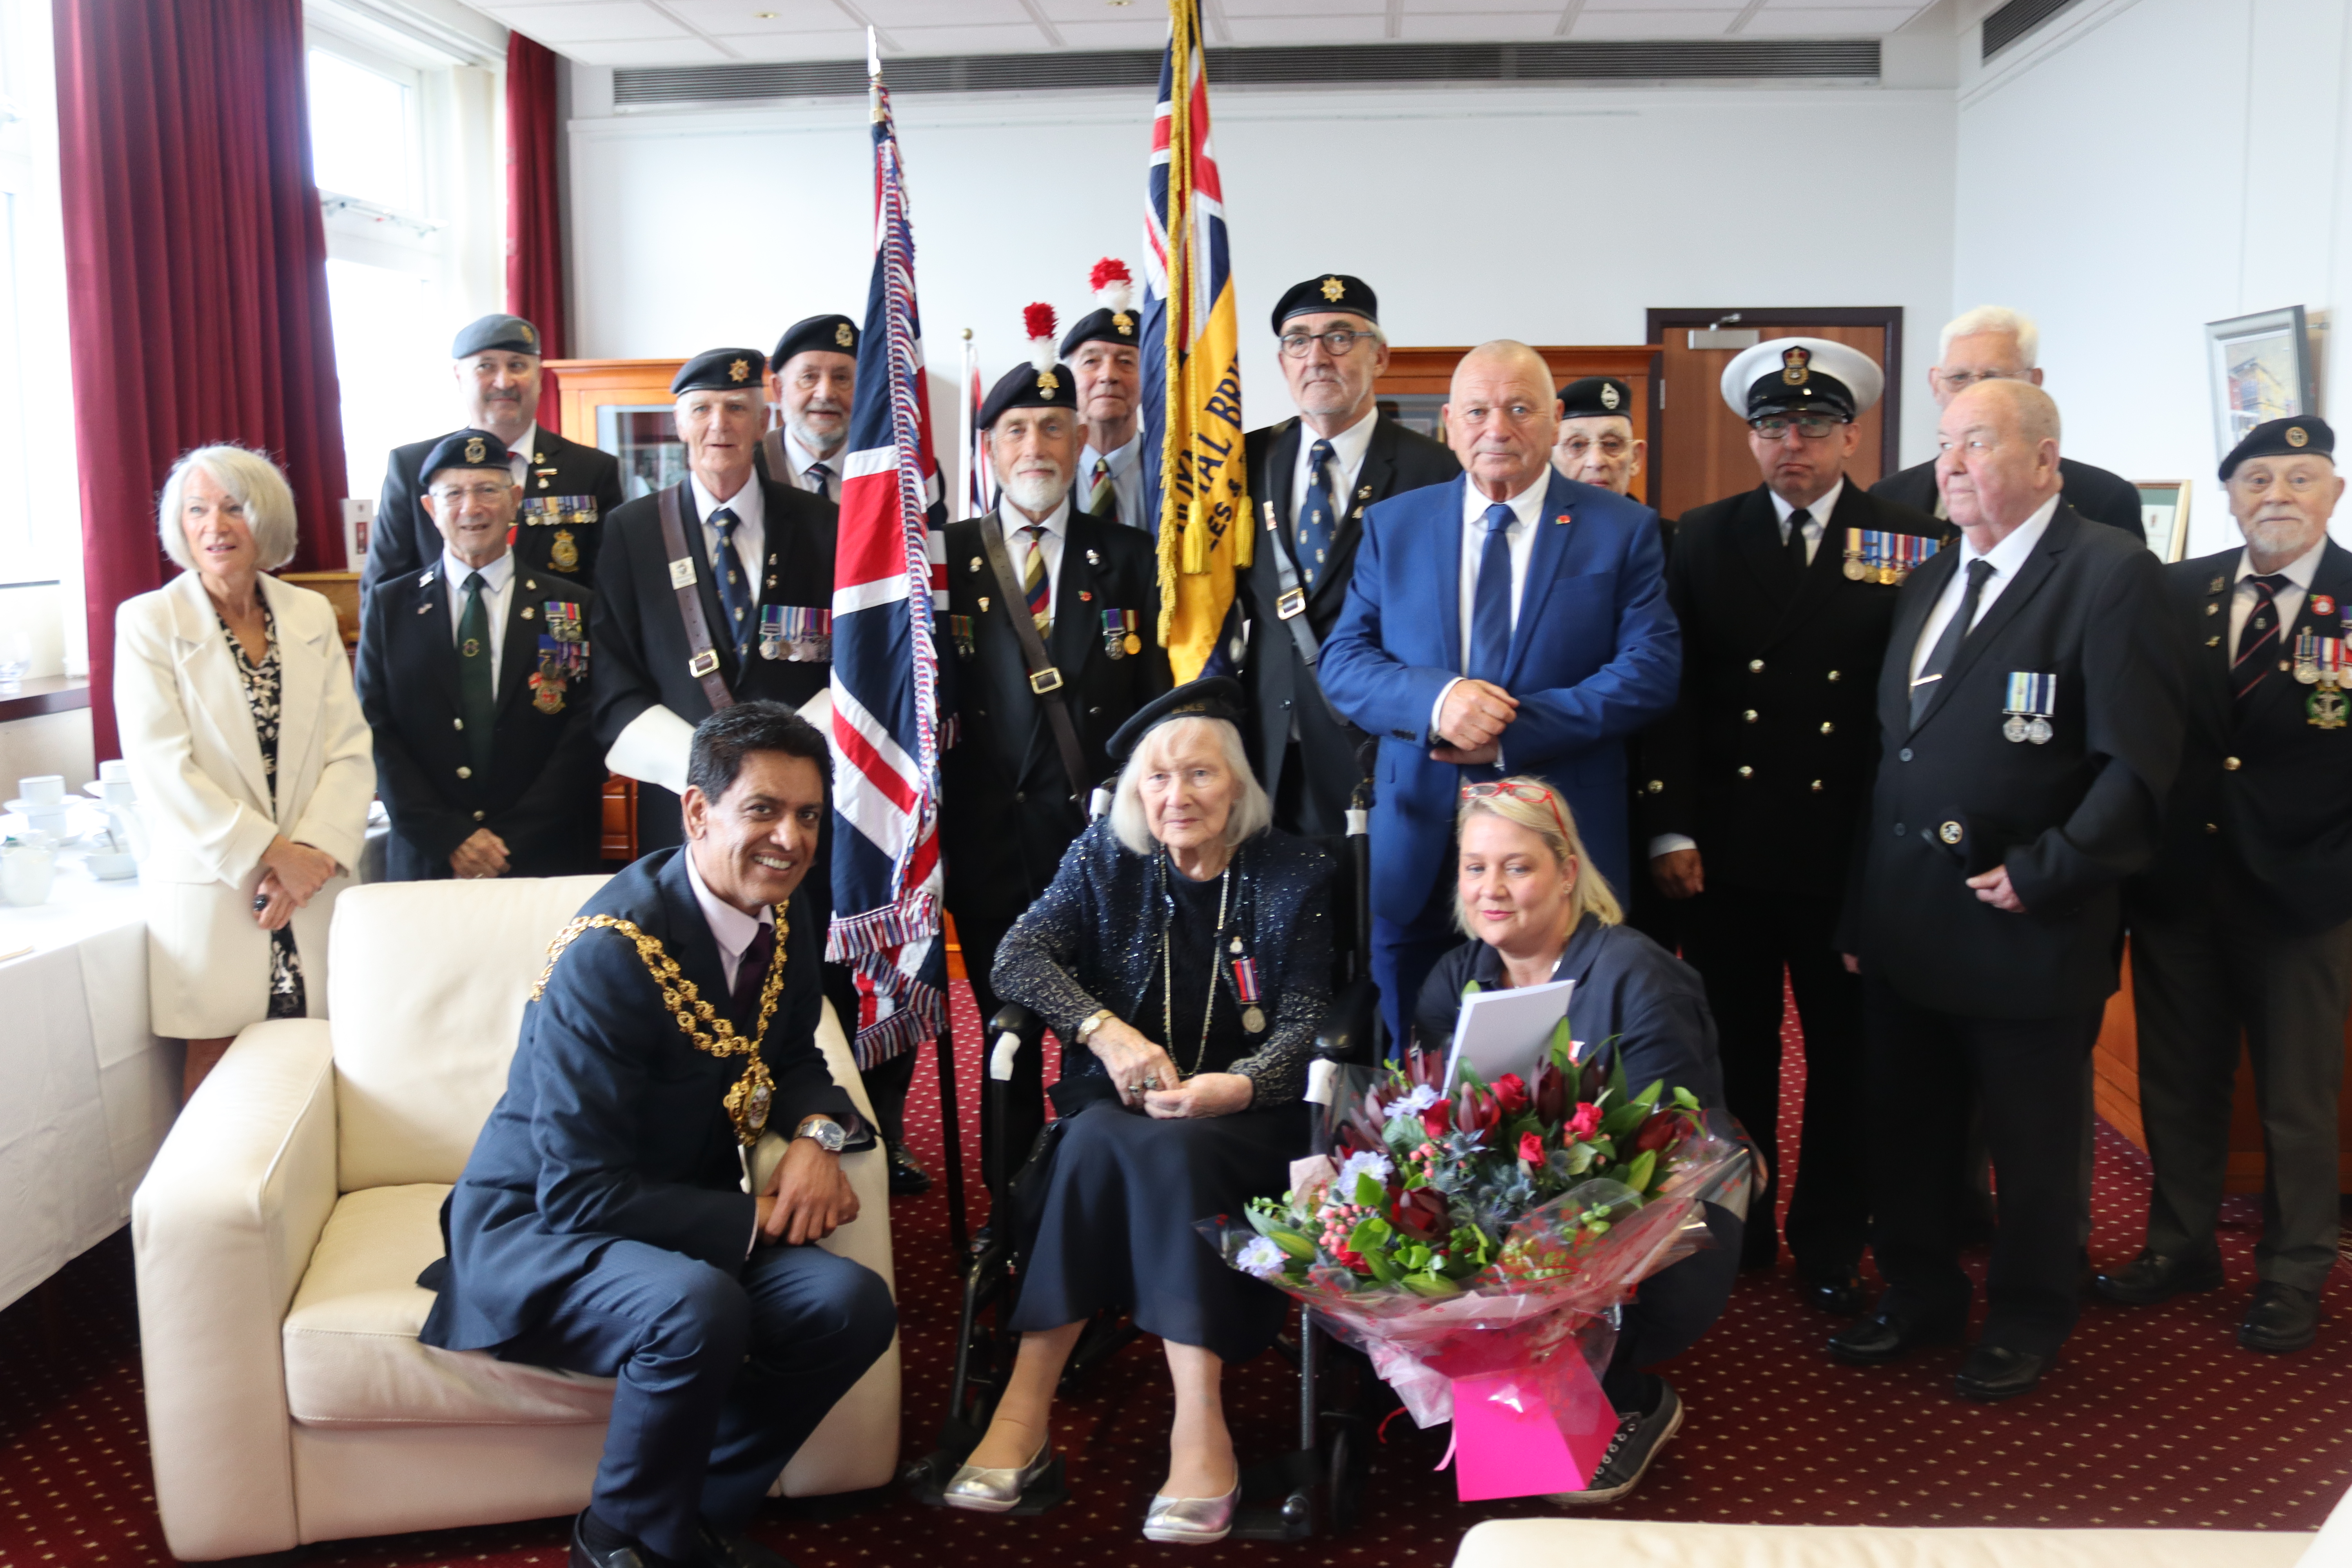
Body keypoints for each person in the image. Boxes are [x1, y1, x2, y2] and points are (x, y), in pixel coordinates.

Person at [417, 702, 895, 1568]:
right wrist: (756, 1222)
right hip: (541, 1227)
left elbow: (793, 1058)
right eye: (763, 810)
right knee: (697, 1304)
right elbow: (577, 1191)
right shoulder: (608, 954)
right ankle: (616, 1540)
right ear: (697, 812)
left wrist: (820, 1137)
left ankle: (692, 1521)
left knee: (849, 1305)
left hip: (670, 1220)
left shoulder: (783, 910)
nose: (789, 837)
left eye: (809, 815)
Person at [1831, 380, 2180, 1401]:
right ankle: (1921, 1292)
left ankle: (2030, 1314)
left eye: (1975, 444)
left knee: (2033, 1151)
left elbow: (2139, 769)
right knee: (1909, 1128)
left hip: (2028, 926)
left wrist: (2045, 873)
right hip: (1908, 924)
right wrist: (1861, 912)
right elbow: (1892, 766)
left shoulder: (2110, 576)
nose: (1949, 466)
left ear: (2044, 461)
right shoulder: (1931, 578)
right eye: (1944, 446)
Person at [945, 679, 1330, 1545]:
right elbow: (1017, 955)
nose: (1174, 795)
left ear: (1237, 785)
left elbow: (1309, 1015)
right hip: (1120, 1101)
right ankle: (1027, 1411)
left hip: (1245, 1113)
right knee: (1096, 1142)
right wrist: (1105, 1032)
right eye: (1154, 778)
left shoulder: (1294, 871)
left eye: (1198, 773)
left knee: (1171, 1155)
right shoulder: (1104, 857)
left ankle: (1196, 1426)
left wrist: (1236, 1085)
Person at [1639, 339, 1940, 1308]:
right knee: (1735, 1048)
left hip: (1848, 849)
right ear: (1752, 439)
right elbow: (1678, 698)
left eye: (1813, 424)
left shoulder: (1910, 540)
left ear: (1851, 434)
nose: (1792, 443)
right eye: (1772, 425)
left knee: (1848, 1054)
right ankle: (1742, 1225)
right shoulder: (1704, 536)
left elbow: (1915, 710)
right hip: (1725, 848)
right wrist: (1670, 829)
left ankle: (1827, 1235)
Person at [590, 349, 917, 1193]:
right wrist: (715, 782)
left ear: (765, 417)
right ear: (679, 424)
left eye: (738, 408)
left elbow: (855, 668)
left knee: (814, 979)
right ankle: (695, 1141)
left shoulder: (823, 524)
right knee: (691, 984)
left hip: (809, 819)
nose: (720, 426)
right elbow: (614, 683)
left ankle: (844, 1127)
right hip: (691, 820)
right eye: (702, 410)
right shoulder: (631, 533)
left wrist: (789, 775)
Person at [1319, 339, 1680, 1047]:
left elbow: (1650, 671)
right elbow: (1345, 662)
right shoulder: (1396, 526)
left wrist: (1515, 730)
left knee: (1572, 1059)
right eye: (1479, 411)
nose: (1498, 429)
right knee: (1413, 1058)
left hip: (1561, 842)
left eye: (1520, 409)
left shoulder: (1622, 528)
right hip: (1423, 836)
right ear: (1449, 425)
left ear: (1552, 424)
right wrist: (1438, 700)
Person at [2097, 416, 2348, 1355]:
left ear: (2334, 491)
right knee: (2179, 1082)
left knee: (2295, 1098)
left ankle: (2293, 1269)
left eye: (2298, 476)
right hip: (2182, 884)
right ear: (2233, 497)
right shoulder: (2175, 590)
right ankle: (2180, 1244)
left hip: (2306, 898)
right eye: (2255, 479)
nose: (2275, 494)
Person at [1413, 777, 1736, 1507]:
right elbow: (1429, 1127)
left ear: (1567, 873)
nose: (1491, 888)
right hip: (1521, 1216)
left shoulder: (1639, 976)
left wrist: (1544, 1243)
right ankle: (1533, 1408)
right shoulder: (1454, 979)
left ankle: (1631, 1394)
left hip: (1662, 1223)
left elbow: (1675, 1151)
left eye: (1517, 866)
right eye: (1474, 867)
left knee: (1531, 1475)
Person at [940, 336, 1171, 1188]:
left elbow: (1154, 704)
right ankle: (1007, 1206)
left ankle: (1090, 1190)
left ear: (1081, 442)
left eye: (1051, 428)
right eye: (1014, 430)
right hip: (985, 836)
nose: (1033, 447)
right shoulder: (945, 555)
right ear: (989, 448)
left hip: (1093, 838)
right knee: (1004, 1028)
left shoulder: (1132, 556)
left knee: (1100, 1020)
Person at [114, 446, 374, 1099]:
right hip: (215, 880)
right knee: (217, 1053)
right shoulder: (150, 623)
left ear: (266, 519)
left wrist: (310, 855)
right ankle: (205, 1204)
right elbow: (160, 768)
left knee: (322, 1047)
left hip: (308, 885)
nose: (215, 525)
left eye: (233, 508)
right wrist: (274, 855)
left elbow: (350, 748)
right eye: (197, 510)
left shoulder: (310, 614)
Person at [1230, 274, 1459, 837]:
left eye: (1340, 337)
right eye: (1298, 341)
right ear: (1283, 362)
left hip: (1380, 750)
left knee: (1374, 918)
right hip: (1268, 756)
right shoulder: (1244, 463)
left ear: (1380, 356)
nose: (1317, 357)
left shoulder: (1437, 472)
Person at [355, 429, 605, 882]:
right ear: (430, 509)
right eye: (454, 494)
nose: (472, 508)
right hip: (428, 860)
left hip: (545, 857)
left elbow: (585, 730)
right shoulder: (391, 608)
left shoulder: (570, 605)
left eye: (488, 490)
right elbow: (374, 728)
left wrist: (511, 839)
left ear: (514, 500)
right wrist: (450, 838)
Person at [362, 313, 624, 594]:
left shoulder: (590, 470)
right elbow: (384, 591)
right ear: (459, 377)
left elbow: (610, 589)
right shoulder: (414, 467)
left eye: (517, 366)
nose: (504, 382)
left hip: (552, 636)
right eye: (486, 367)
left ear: (538, 376)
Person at [1869, 305, 2145, 543]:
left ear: (2034, 382)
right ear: (1935, 384)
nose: (1974, 392)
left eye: (1993, 377)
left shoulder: (2103, 498)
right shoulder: (1887, 498)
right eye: (1959, 377)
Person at [1060, 260, 1145, 530]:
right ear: (1069, 378)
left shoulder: (1177, 468)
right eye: (1092, 362)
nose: (1108, 375)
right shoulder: (1044, 468)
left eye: (1126, 361)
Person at [760, 313, 857, 503]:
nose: (826, 394)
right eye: (809, 377)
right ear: (779, 391)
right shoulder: (748, 469)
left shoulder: (890, 467)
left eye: (842, 378)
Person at [1550, 376, 1649, 507]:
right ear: (1549, 458)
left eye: (1612, 444)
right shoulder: (1530, 527)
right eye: (1577, 445)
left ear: (1635, 458)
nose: (1596, 462)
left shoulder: (1657, 528)